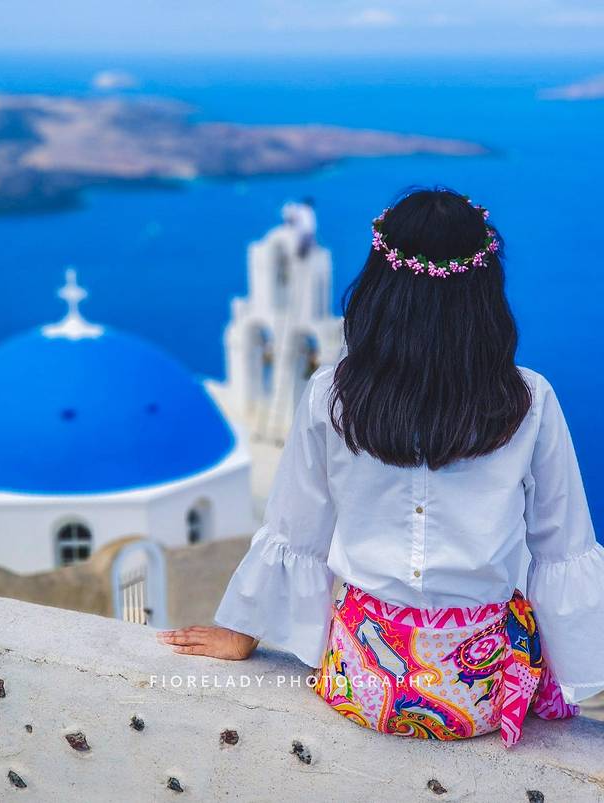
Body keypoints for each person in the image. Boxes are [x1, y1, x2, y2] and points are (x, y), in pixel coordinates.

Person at [158, 188, 604, 747]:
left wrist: (242, 632)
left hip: (362, 681)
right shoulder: (528, 400)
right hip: (474, 694)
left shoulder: (332, 395)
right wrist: (573, 673)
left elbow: (298, 530)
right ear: (484, 292)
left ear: (380, 287)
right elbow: (562, 547)